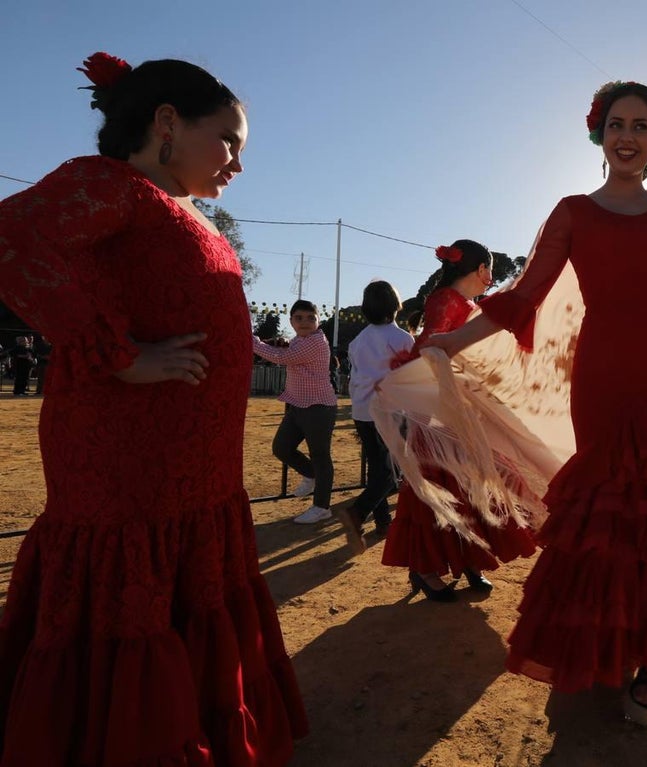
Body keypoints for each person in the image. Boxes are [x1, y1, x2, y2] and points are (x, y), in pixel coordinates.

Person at [423, 81, 647, 724]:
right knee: (609, 517)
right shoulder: (573, 211)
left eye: (642, 126)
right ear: (599, 135)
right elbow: (522, 300)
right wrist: (450, 342)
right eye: (617, 124)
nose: (628, 136)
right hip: (605, 379)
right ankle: (611, 647)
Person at [0, 53, 306, 764]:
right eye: (228, 139)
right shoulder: (113, 185)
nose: (236, 162)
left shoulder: (179, 209)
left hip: (193, 480)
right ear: (167, 122)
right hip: (127, 469)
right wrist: (120, 354)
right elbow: (9, 238)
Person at [381, 241, 538, 601]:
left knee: (468, 485)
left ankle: (467, 560)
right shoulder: (447, 300)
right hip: (438, 411)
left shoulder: (461, 303)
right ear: (482, 269)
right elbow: (429, 347)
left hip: (455, 409)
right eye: (489, 270)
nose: (491, 278)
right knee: (445, 487)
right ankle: (426, 569)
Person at [332, 280, 413, 553]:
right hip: (390, 410)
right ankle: (358, 512)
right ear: (395, 306)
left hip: (362, 411)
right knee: (391, 472)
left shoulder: (358, 340)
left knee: (378, 467)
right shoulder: (402, 338)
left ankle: (382, 520)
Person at [253, 299, 339, 524]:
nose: (305, 322)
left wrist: (252, 342)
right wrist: (279, 345)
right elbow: (288, 353)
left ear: (318, 320)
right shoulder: (299, 341)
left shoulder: (316, 341)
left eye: (311, 317)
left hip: (318, 407)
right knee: (281, 447)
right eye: (299, 318)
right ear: (291, 321)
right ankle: (311, 475)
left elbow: (282, 358)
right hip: (298, 405)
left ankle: (322, 506)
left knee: (320, 456)